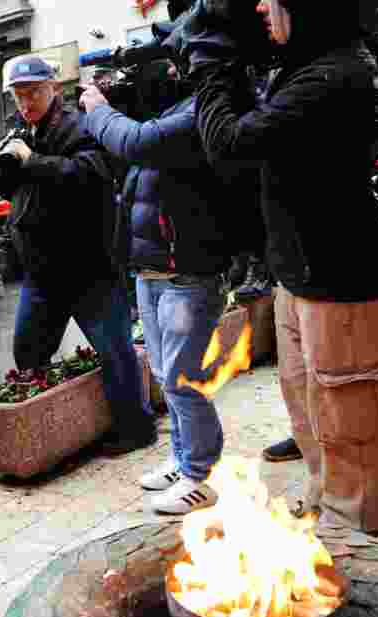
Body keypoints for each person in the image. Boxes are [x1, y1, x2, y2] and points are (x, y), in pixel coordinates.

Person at [185, 0, 378, 533]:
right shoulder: (305, 65)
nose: (258, 7)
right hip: (297, 274)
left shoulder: (335, 73)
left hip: (339, 282)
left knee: (349, 420)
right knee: (308, 406)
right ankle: (325, 499)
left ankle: (356, 535)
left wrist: (210, 61)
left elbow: (227, 144)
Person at [80, 54, 244, 513]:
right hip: (153, 273)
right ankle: (182, 459)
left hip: (187, 275)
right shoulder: (168, 112)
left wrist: (97, 108)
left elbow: (132, 141)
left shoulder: (199, 112)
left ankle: (200, 475)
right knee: (165, 376)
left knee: (182, 380)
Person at [0, 55, 156, 455]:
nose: (26, 100)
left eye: (33, 91)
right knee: (28, 350)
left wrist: (34, 162)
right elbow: (11, 191)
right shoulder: (23, 132)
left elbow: (90, 173)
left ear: (53, 88)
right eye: (19, 94)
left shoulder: (80, 125)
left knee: (114, 350)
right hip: (42, 270)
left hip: (89, 266)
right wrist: (6, 167)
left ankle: (136, 430)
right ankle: (46, 430)